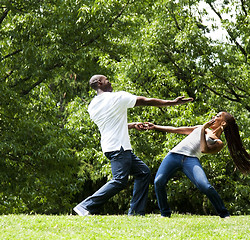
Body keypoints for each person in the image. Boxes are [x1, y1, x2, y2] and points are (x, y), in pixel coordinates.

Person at [73, 74, 193, 216]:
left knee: (143, 172)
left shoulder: (92, 105)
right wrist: (171, 102)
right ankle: (85, 206)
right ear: (99, 83)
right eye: (107, 80)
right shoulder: (117, 97)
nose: (110, 82)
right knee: (119, 180)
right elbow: (146, 101)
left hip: (111, 146)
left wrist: (132, 125)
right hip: (119, 147)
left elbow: (111, 124)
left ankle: (136, 212)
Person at [137, 111, 250, 218]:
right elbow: (176, 130)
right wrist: (155, 127)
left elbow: (204, 149)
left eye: (218, 116)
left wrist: (203, 129)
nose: (214, 117)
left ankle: (224, 214)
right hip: (174, 155)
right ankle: (165, 214)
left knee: (206, 186)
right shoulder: (200, 127)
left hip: (191, 160)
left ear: (223, 123)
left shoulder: (218, 143)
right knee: (158, 181)